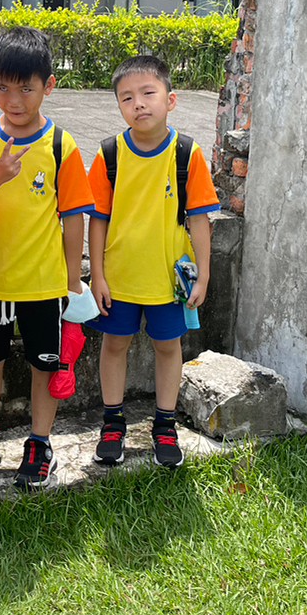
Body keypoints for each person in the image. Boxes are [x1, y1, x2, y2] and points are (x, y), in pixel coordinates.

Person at [0, 26, 94, 489]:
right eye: (2, 87)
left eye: (26, 88)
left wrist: (73, 280)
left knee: (45, 366)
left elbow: (73, 217)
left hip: (43, 283)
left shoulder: (61, 145)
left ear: (49, 86)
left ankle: (40, 443)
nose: (14, 100)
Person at [87, 54, 219, 468]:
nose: (138, 104)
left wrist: (204, 276)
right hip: (119, 277)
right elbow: (98, 220)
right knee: (114, 345)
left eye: (148, 93)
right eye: (127, 97)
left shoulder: (187, 154)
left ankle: (164, 424)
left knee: (168, 347)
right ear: (118, 105)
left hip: (168, 280)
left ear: (170, 99)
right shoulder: (109, 154)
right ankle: (113, 423)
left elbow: (199, 220)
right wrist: (97, 275)